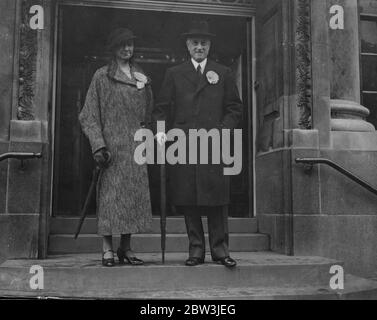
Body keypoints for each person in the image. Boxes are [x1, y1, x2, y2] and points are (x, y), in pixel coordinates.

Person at [153, 21, 243, 268]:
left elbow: (235, 108)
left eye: (204, 43)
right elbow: (161, 110)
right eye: (195, 43)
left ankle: (220, 251)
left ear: (209, 46)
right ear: (188, 46)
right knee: (188, 198)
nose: (199, 47)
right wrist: (161, 133)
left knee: (217, 199)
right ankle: (195, 251)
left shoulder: (222, 72)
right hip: (184, 145)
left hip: (213, 144)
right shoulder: (174, 73)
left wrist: (223, 130)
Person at [79, 28, 153, 267]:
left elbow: (149, 110)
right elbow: (88, 116)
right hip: (111, 149)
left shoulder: (140, 75)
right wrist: (98, 145)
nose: (127, 49)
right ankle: (107, 248)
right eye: (122, 45)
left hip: (136, 147)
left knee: (131, 200)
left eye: (130, 44)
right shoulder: (102, 76)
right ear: (113, 48)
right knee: (111, 200)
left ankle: (126, 247)